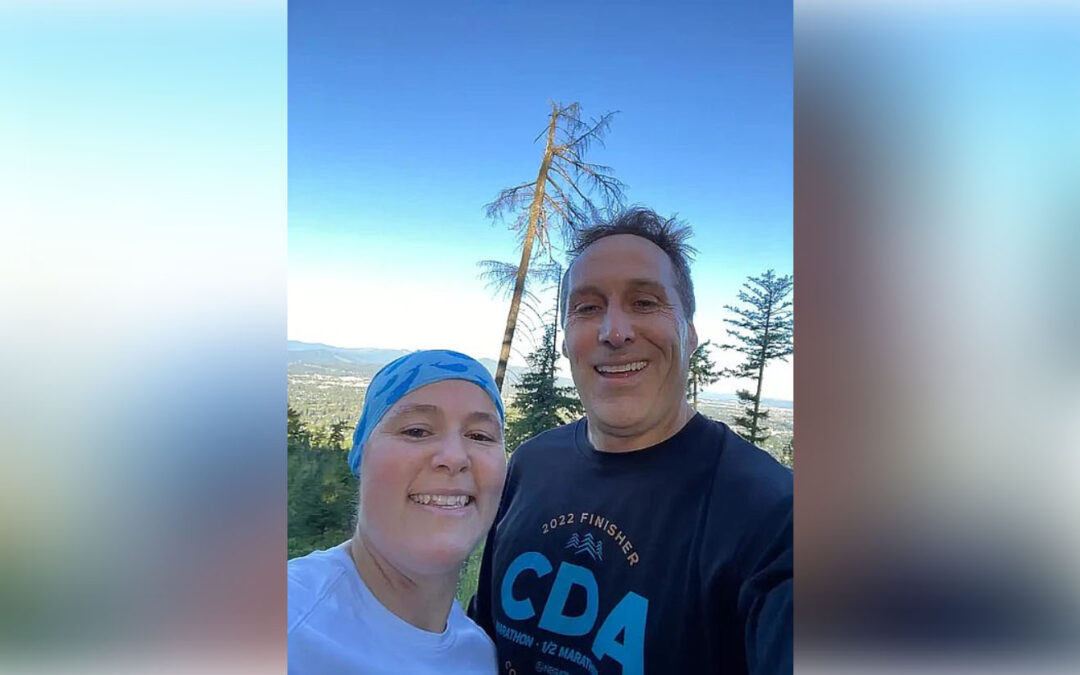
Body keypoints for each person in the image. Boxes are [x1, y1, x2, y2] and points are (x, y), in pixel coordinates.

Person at [469, 208, 793, 675]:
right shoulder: (531, 465)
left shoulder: (772, 515)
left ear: (691, 332)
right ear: (565, 340)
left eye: (645, 302)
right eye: (587, 307)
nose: (614, 332)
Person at [288, 350, 507, 674]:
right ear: (361, 455)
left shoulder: (480, 655)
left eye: (479, 436)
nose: (454, 456)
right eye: (416, 431)